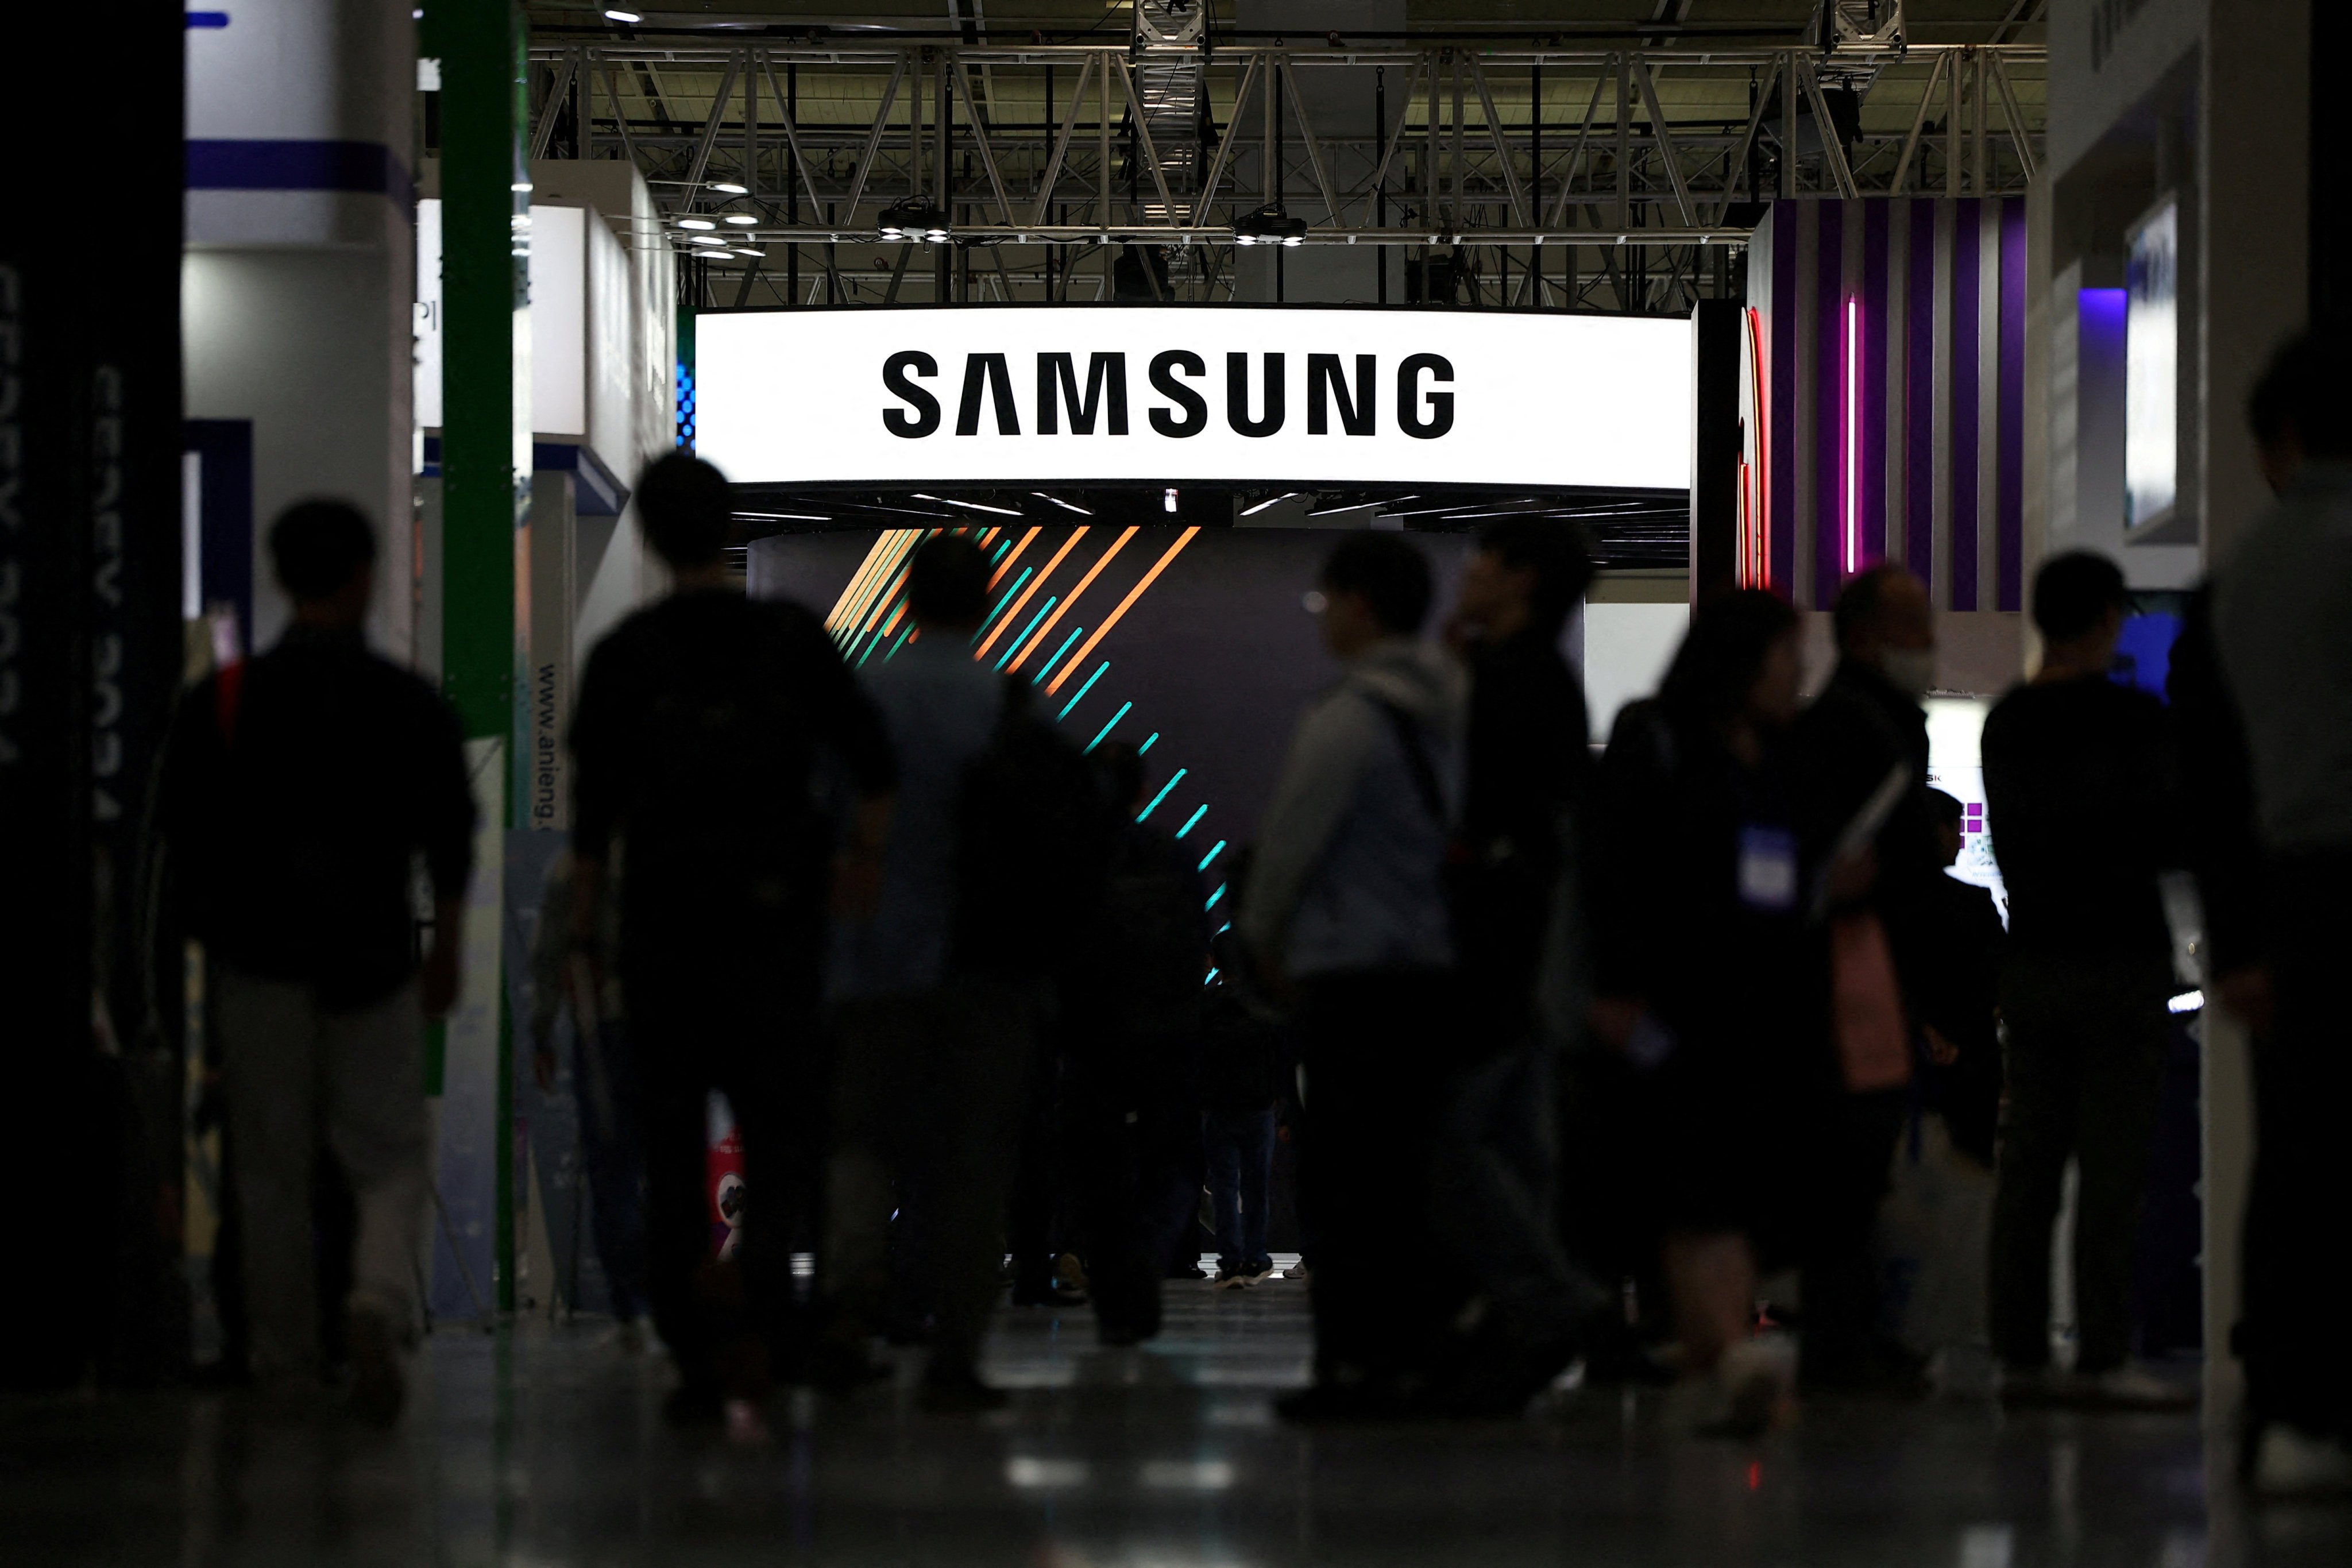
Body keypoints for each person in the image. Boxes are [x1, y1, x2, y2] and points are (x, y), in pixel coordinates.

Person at [568, 453, 895, 1427]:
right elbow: (873, 763)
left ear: (654, 540)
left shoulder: (626, 655)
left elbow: (593, 823)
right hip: (777, 931)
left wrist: (586, 931)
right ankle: (768, 1320)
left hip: (663, 934)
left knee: (669, 1151)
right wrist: (858, 863)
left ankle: (695, 1356)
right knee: (783, 1138)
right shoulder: (788, 640)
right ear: (724, 527)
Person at [159, 499, 475, 1424]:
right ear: (369, 574)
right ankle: (375, 1296)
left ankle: (284, 1357)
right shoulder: (405, 702)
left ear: (282, 576)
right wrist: (446, 945)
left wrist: (211, 960)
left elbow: (188, 846)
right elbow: (449, 837)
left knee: (268, 1169)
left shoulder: (221, 702)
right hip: (370, 962)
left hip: (256, 966)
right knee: (385, 1156)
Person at [817, 533, 1067, 1411]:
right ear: (989, 601)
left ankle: (848, 1314)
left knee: (862, 1147)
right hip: (984, 970)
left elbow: (821, 826)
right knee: (972, 1164)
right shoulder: (1012, 706)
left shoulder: (858, 699)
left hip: (870, 966)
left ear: (905, 599)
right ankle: (957, 1348)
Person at [1240, 533, 1466, 1420]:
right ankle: (1420, 1355)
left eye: (1324, 602)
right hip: (1440, 975)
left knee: (1343, 1181)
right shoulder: (1466, 710)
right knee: (1419, 1179)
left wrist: (1262, 940)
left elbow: (1287, 849)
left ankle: (1350, 1365)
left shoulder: (1346, 715)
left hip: (1353, 979)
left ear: (1360, 605)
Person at [1589, 589, 1820, 1436]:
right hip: (1669, 1004)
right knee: (1695, 1184)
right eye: (1786, 657)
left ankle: (1715, 1354)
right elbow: (1610, 866)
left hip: (1754, 1004)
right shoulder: (1657, 737)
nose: (1797, 674)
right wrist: (1615, 989)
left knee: (1725, 1184)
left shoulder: (1773, 753)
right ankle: (1725, 1350)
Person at [1980, 551, 2188, 1410]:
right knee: (2112, 1169)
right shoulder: (2137, 721)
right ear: (2105, 616)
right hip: (2123, 966)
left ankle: (2018, 1353)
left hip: (2032, 961)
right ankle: (2100, 1354)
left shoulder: (2007, 722)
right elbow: (2171, 836)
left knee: (2027, 1164)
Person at [2211, 330, 2352, 1490]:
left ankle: (2286, 1403)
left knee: (2296, 1154)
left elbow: (2208, 783)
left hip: (2290, 894)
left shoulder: (2241, 573)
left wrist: (2237, 938)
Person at [1431, 517, 1609, 1409]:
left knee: (1447, 1141)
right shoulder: (1544, 682)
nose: (1470, 572)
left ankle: (1549, 1302)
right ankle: (1521, 1314)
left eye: (1487, 561)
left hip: (1490, 954)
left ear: (1523, 580)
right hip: (1529, 955)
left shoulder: (1507, 683)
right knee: (1516, 1149)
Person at [1787, 564, 1941, 1391]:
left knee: (1854, 1167)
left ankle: (1846, 1333)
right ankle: (1841, 1343)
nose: (1929, 646)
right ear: (1862, 637)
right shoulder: (1861, 728)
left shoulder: (1852, 722)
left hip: (1858, 969)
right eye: (1912, 627)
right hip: (1854, 976)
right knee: (1850, 1164)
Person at [1067, 741, 1213, 1334]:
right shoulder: (1174, 854)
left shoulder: (1076, 856)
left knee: (1094, 1161)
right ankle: (1144, 1262)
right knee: (1172, 1160)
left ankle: (1112, 1276)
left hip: (1095, 1028)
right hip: (1169, 1029)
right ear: (1141, 791)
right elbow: (1198, 938)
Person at [529, 848, 647, 1344]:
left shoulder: (570, 866)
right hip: (661, 1024)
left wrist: (540, 1030)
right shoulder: (668, 849)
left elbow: (549, 952)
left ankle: (632, 1306)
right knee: (658, 1163)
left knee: (610, 1167)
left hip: (600, 1025)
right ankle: (659, 1302)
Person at [1915, 790, 2005, 1169]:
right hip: (1972, 1060)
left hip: (1914, 1059)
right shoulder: (1974, 904)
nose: (1962, 840)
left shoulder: (1892, 906)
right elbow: (1998, 980)